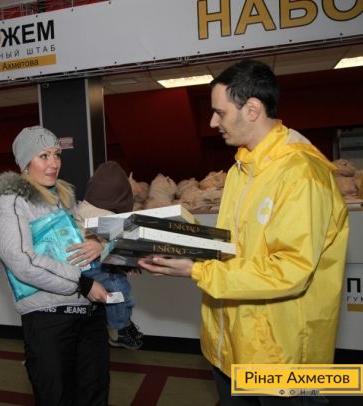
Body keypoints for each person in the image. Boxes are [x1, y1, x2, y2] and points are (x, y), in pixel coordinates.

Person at [138, 60, 349, 405]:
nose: (212, 123)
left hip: (282, 356)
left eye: (219, 112)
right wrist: (182, 246)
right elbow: (236, 247)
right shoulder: (242, 168)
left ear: (252, 109)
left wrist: (198, 270)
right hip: (232, 345)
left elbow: (290, 270)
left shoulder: (301, 173)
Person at [0, 125, 110, 406]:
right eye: (43, 156)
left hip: (89, 315)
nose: (54, 163)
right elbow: (21, 260)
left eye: (57, 155)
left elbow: (90, 239)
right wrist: (82, 283)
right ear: (25, 162)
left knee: (95, 395)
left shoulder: (64, 198)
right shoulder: (13, 201)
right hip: (49, 320)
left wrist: (100, 245)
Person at [75, 161, 144, 350]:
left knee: (118, 292)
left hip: (88, 266)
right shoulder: (103, 215)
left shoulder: (86, 207)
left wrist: (126, 263)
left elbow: (110, 242)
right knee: (119, 291)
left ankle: (121, 323)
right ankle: (119, 329)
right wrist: (129, 263)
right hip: (91, 266)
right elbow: (118, 242)